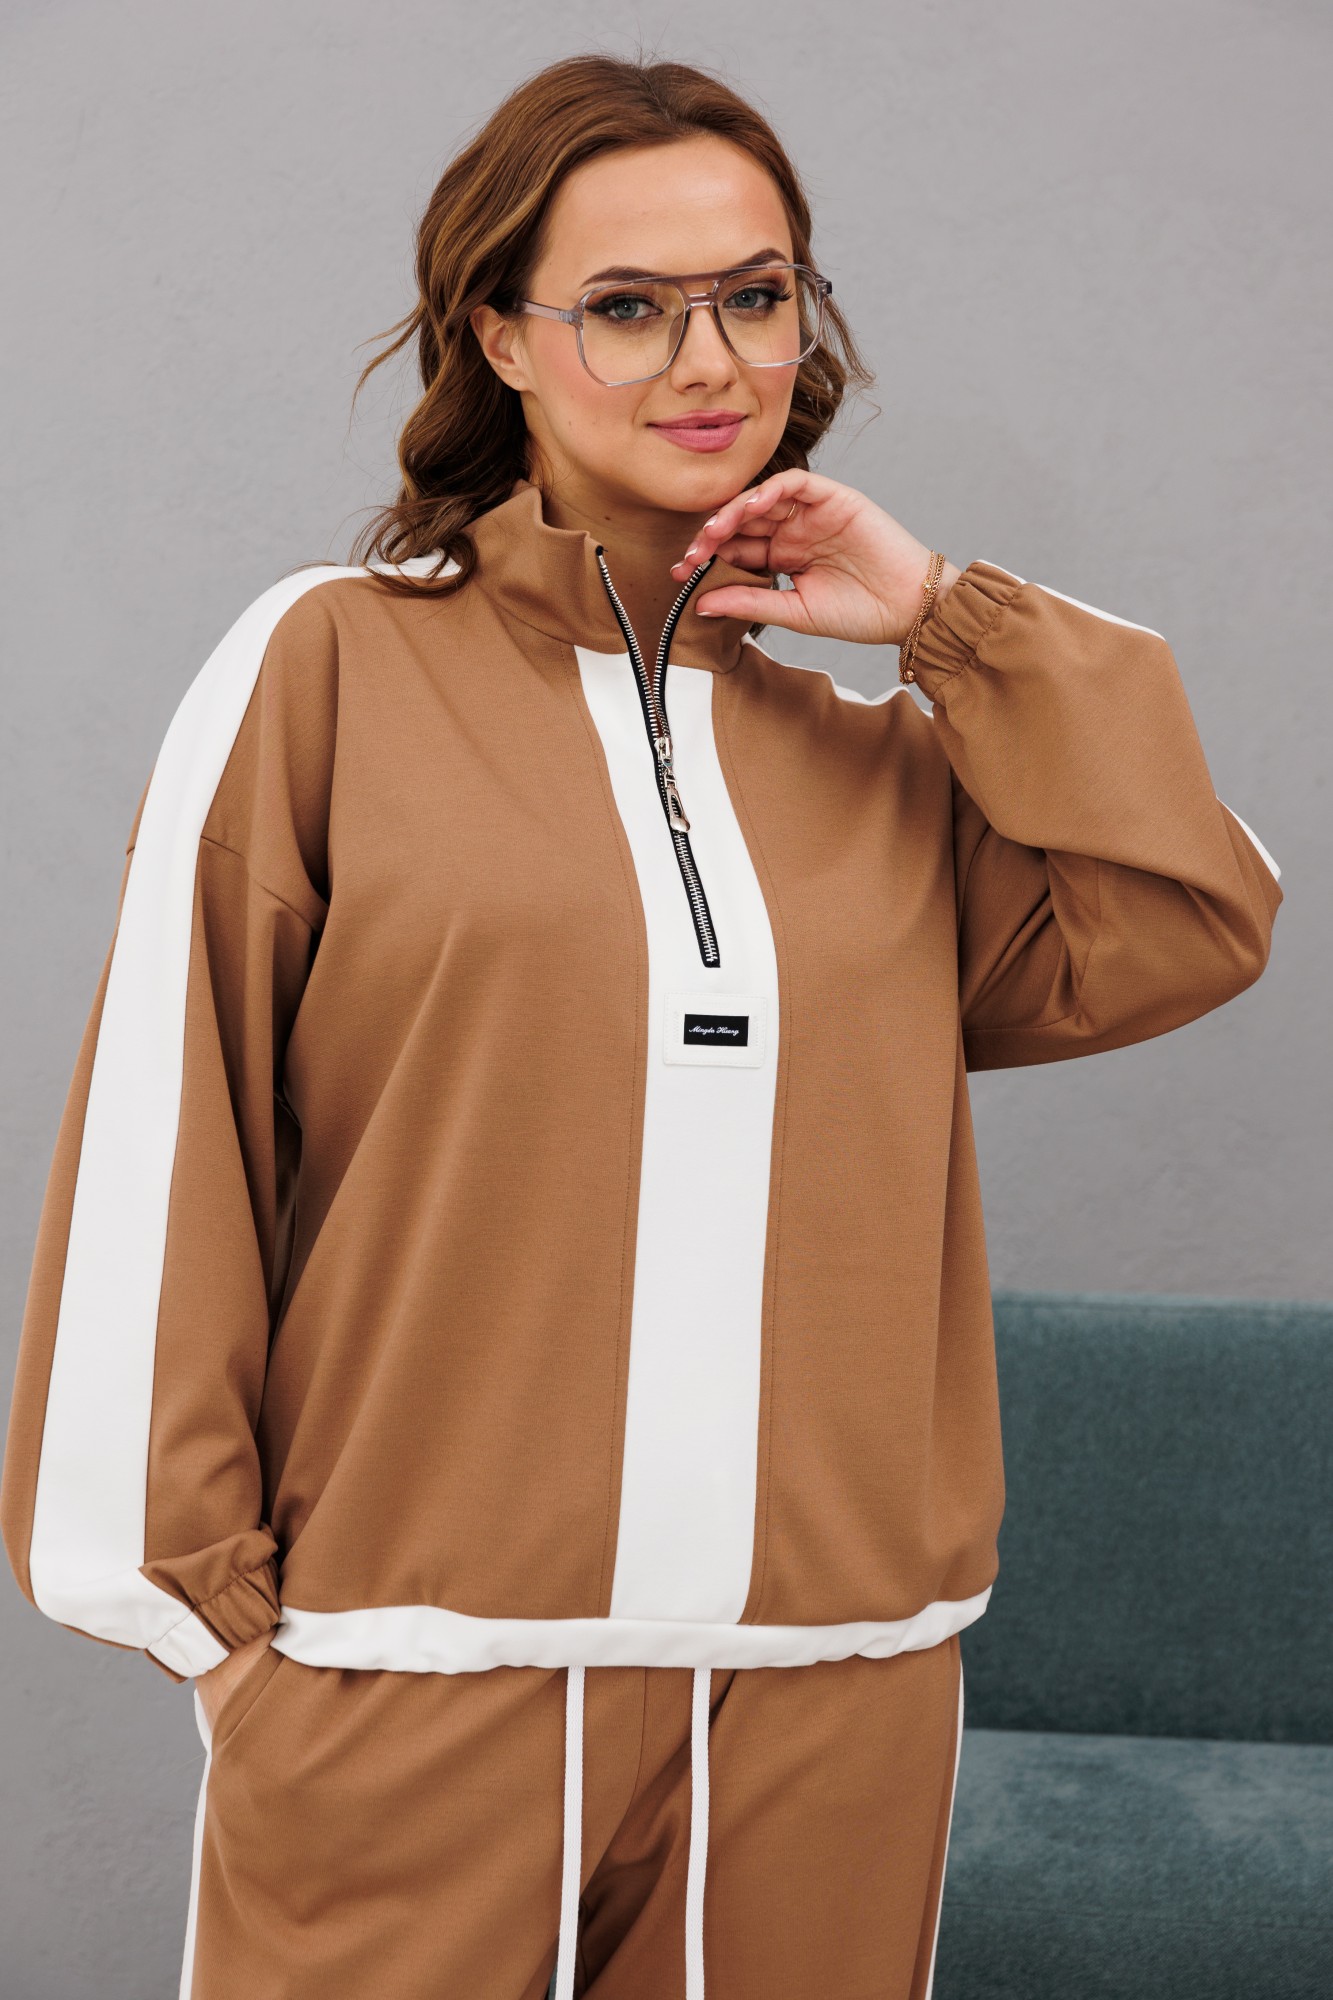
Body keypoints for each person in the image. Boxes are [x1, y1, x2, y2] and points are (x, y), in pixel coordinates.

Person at [0, 49, 1283, 2000]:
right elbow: (168, 1141)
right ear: (499, 337)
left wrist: (945, 619)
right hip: (411, 1674)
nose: (708, 360)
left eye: (755, 294)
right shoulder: (324, 670)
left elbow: (1191, 916)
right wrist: (225, 1636)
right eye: (625, 305)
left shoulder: (880, 762)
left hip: (831, 1695)